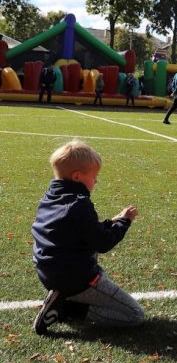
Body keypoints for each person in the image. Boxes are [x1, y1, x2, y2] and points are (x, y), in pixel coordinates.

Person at [31, 140, 144, 335]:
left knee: (94, 267)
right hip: (75, 278)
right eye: (94, 176)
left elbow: (82, 232)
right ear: (77, 177)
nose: (96, 181)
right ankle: (64, 308)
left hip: (49, 272)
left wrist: (111, 221)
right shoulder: (79, 204)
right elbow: (103, 243)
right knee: (134, 315)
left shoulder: (50, 197)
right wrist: (124, 222)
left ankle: (64, 297)